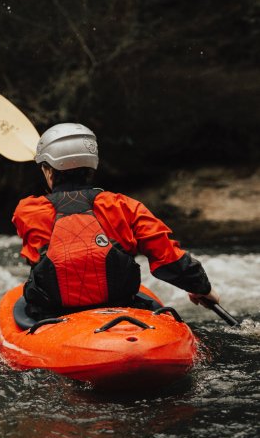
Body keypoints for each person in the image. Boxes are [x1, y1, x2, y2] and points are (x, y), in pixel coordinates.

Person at [12, 123, 220, 320]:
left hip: (53, 314)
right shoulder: (125, 206)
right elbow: (169, 259)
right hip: (121, 308)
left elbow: (37, 255)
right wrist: (202, 289)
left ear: (48, 171)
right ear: (92, 166)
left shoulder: (27, 211)